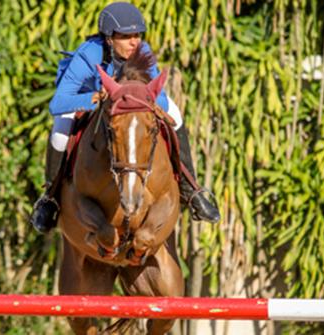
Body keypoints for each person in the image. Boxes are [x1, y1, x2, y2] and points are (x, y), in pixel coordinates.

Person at [30, 2, 220, 233]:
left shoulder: (143, 51)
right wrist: (93, 97)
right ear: (109, 38)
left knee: (176, 115)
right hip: (90, 102)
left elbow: (157, 96)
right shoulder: (89, 54)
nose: (134, 42)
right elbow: (57, 103)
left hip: (130, 107)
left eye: (138, 35)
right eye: (126, 36)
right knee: (60, 134)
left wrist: (143, 100)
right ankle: (50, 198)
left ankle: (192, 192)